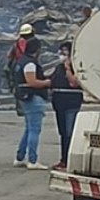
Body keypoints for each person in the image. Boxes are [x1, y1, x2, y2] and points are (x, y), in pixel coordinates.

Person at [13, 38, 50, 170]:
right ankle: (33, 160)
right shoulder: (30, 63)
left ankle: (20, 157)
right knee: (35, 129)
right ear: (37, 50)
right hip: (33, 98)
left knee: (29, 129)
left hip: (25, 98)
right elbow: (32, 81)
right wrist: (47, 83)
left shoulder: (21, 61)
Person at [49, 41, 83, 170]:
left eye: (65, 53)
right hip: (59, 104)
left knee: (69, 133)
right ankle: (63, 159)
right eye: (60, 53)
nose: (62, 55)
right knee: (63, 133)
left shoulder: (76, 67)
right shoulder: (58, 67)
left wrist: (68, 68)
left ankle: (70, 160)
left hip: (71, 104)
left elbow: (74, 83)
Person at [4, 24, 36, 115]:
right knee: (21, 86)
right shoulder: (23, 42)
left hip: (18, 65)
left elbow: (9, 55)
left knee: (19, 86)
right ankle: (22, 108)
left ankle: (22, 108)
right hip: (21, 65)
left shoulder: (18, 41)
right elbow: (23, 53)